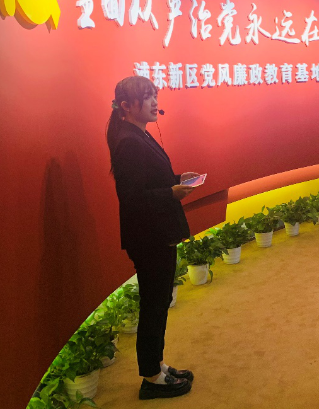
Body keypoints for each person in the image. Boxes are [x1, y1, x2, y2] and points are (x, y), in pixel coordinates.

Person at [107, 75, 199, 400]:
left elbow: (150, 180)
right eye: (147, 97)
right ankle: (151, 377)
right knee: (154, 306)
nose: (154, 102)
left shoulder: (138, 134)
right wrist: (171, 193)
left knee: (159, 304)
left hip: (156, 233)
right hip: (149, 237)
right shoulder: (128, 142)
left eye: (154, 95)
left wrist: (177, 179)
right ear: (127, 106)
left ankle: (157, 366)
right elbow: (132, 199)